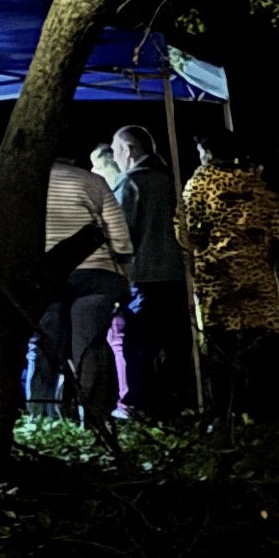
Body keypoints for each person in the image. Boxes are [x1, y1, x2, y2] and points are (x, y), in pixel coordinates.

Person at [179, 129, 279, 423]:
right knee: (262, 342)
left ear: (206, 153)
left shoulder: (199, 184)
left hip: (219, 277)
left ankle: (227, 408)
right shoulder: (257, 184)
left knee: (223, 344)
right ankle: (265, 409)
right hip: (258, 278)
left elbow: (188, 232)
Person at [29, 146, 134, 439]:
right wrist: (125, 267)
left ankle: (39, 416)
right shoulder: (93, 181)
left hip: (45, 275)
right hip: (96, 273)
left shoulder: (26, 178)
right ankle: (95, 418)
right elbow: (120, 234)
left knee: (45, 346)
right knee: (89, 347)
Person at [110, 123, 189, 417]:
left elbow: (122, 233)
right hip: (176, 275)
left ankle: (138, 403)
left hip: (144, 276)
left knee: (138, 344)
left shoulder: (131, 182)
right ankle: (176, 401)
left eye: (117, 150)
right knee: (175, 343)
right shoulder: (173, 179)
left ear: (129, 150)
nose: (115, 157)